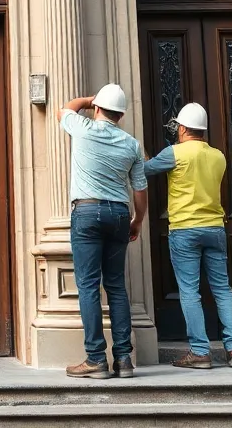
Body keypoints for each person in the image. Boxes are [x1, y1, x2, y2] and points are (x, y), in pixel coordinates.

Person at [144, 102, 232, 370]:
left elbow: (145, 170)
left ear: (183, 128)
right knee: (223, 290)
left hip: (185, 228)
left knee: (190, 291)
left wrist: (139, 151)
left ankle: (200, 352)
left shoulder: (174, 153)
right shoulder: (218, 155)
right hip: (214, 227)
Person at [59, 83, 148, 380]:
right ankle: (124, 359)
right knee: (116, 286)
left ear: (97, 108)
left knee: (88, 286)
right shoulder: (132, 145)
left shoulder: (82, 128)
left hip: (86, 211)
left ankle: (96, 358)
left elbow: (66, 109)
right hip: (120, 214)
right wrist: (137, 220)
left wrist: (87, 99)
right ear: (121, 115)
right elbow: (139, 188)